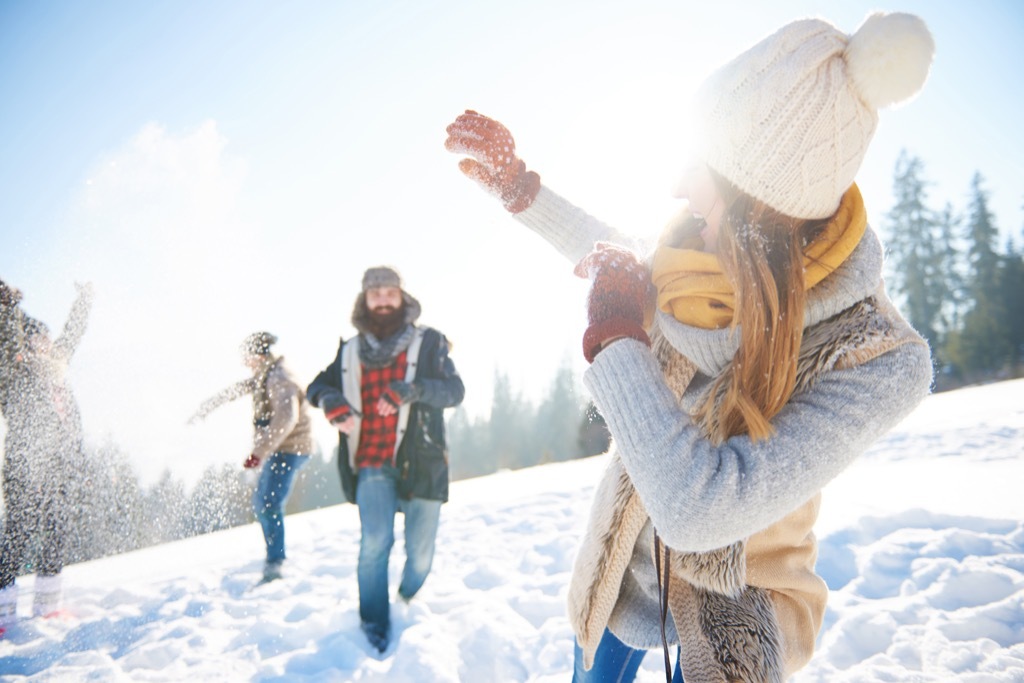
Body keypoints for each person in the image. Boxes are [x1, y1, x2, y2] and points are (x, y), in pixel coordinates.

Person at [445, 12, 935, 683]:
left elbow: (699, 511)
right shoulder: (693, 262)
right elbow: (609, 246)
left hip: (739, 602)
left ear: (759, 196)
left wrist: (616, 341)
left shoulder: (872, 356)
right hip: (630, 563)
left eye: (700, 166)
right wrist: (521, 191)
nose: (678, 186)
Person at [307, 266, 465, 654]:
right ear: (364, 300)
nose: (381, 298)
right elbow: (316, 386)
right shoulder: (349, 350)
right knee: (375, 541)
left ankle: (407, 599)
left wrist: (410, 390)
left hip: (423, 461)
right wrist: (330, 401)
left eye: (388, 291)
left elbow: (454, 391)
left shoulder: (429, 343)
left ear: (402, 297)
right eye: (374, 292)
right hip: (371, 461)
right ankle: (374, 621)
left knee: (421, 555)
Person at [0, 280, 93, 632]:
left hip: (60, 463)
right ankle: (3, 612)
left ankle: (47, 606)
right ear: (28, 344)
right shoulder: (12, 372)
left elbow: (73, 333)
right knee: (18, 533)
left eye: (48, 339)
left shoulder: (58, 369)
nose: (48, 345)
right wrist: (6, 306)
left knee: (57, 528)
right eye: (39, 339)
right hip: (24, 464)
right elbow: (7, 341)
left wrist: (84, 300)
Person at [188, 331, 314, 583]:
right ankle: (274, 557)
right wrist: (206, 407)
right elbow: (236, 390)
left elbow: (286, 419)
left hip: (289, 450)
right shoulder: (264, 374)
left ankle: (276, 562)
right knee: (263, 502)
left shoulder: (281, 378)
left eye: (247, 357)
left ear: (258, 354)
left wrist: (259, 453)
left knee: (267, 503)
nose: (245, 362)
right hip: (280, 449)